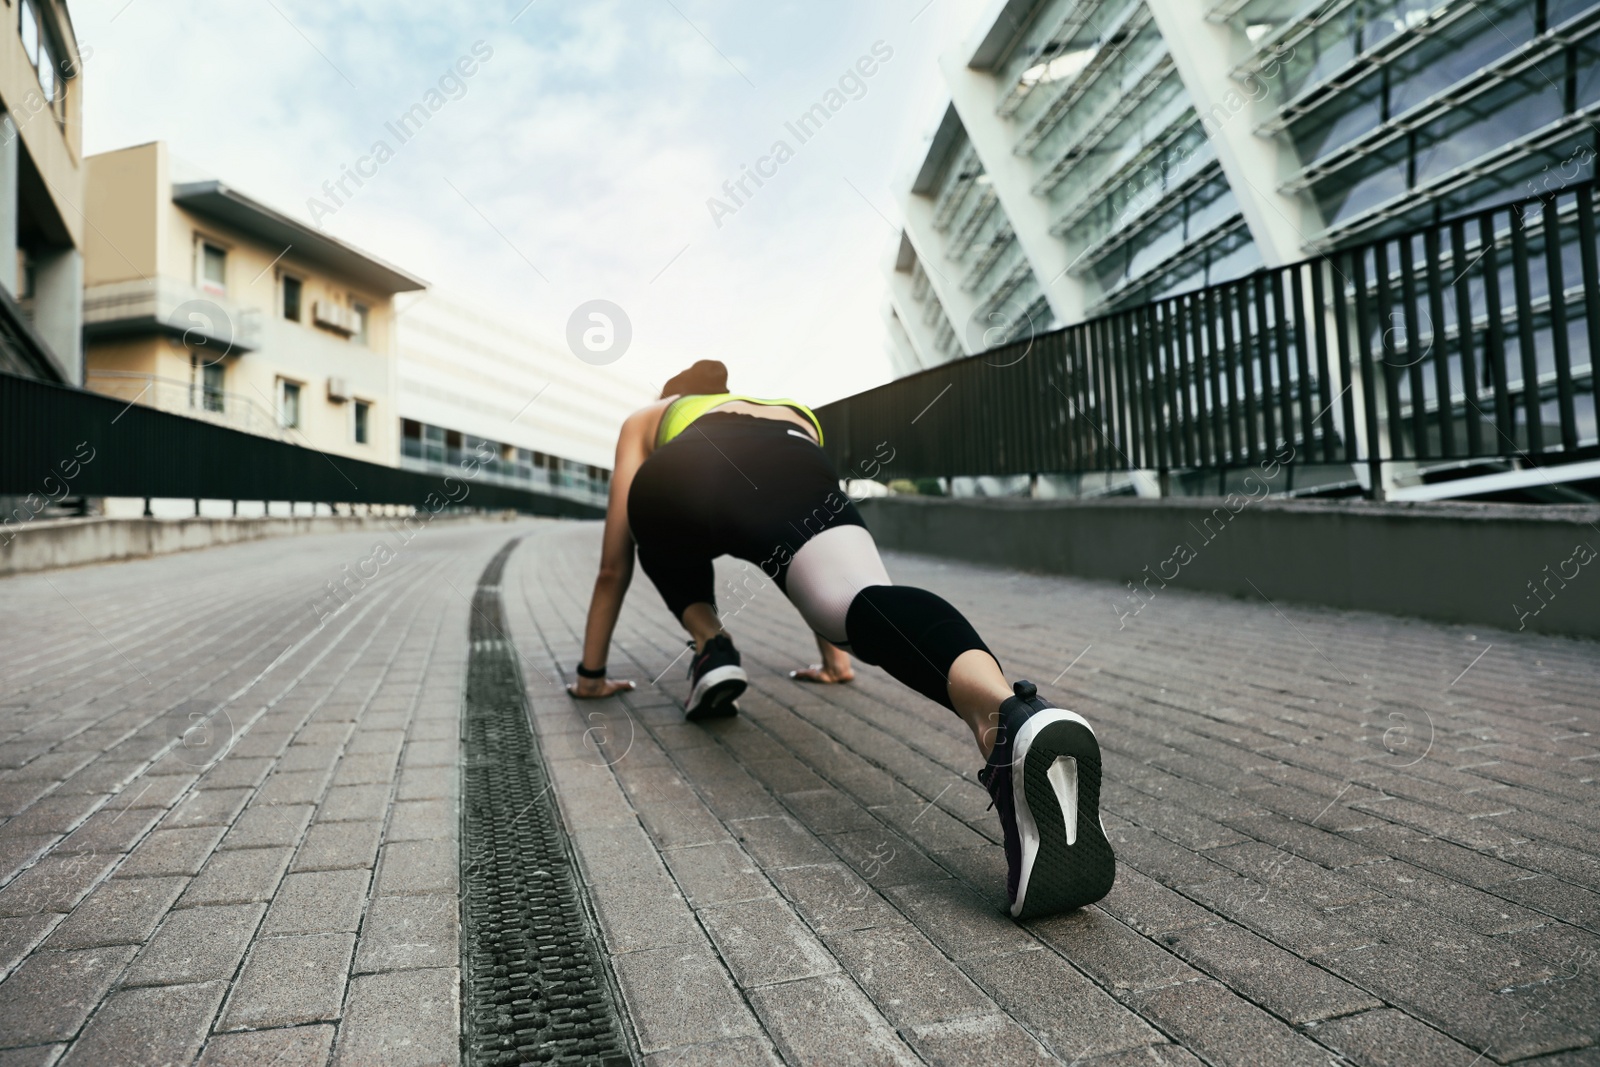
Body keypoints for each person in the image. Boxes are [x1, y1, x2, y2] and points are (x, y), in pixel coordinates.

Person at [569, 360, 1115, 919]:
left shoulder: (650, 417)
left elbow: (614, 565)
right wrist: (834, 654)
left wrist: (590, 677)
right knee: (855, 598)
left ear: (674, 395)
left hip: (678, 476)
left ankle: (711, 643)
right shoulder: (783, 411)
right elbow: (787, 550)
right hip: (794, 453)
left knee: (657, 538)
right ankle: (1009, 717)